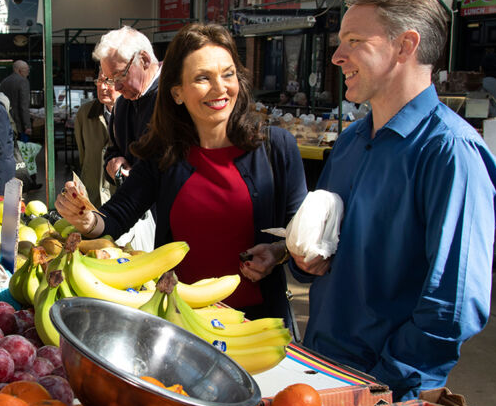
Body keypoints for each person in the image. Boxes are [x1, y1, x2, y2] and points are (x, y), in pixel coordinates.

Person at [289, 0, 496, 400]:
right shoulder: (353, 141)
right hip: (320, 368)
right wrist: (302, 259)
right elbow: (329, 249)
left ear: (406, 46)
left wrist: (385, 383)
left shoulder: (451, 153)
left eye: (354, 41)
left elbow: (454, 305)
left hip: (382, 392)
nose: (337, 57)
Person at [56, 23, 308, 317]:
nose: (220, 88)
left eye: (228, 74)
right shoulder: (162, 152)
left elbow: (297, 235)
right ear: (177, 92)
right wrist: (85, 219)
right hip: (179, 317)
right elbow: (115, 218)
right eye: (203, 78)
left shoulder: (276, 147)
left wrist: (278, 252)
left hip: (257, 324)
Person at [95, 27, 161, 183]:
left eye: (119, 76)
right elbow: (113, 152)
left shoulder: (176, 96)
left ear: (144, 60)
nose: (116, 87)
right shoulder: (122, 105)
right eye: (111, 79)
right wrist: (114, 166)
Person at [73, 76, 118, 208]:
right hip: (92, 197)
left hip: (122, 201)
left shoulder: (135, 113)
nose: (102, 87)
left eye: (109, 81)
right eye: (99, 81)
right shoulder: (84, 113)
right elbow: (83, 155)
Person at [0, 61, 32, 139]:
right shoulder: (23, 81)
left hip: (6, 120)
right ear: (20, 70)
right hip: (19, 122)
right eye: (26, 70)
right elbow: (23, 106)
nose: (28, 73)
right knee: (23, 148)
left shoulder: (4, 82)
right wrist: (27, 126)